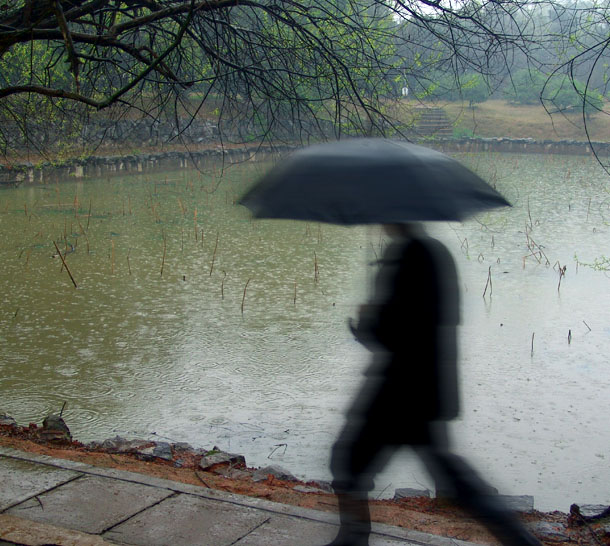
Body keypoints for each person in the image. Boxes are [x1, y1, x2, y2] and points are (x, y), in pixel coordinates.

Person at [324, 223, 541, 546]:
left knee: (348, 460)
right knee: (452, 479)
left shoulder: (406, 255)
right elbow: (429, 325)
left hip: (398, 391)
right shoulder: (436, 253)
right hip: (429, 390)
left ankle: (352, 540)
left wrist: (366, 325)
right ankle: (520, 541)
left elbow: (398, 333)